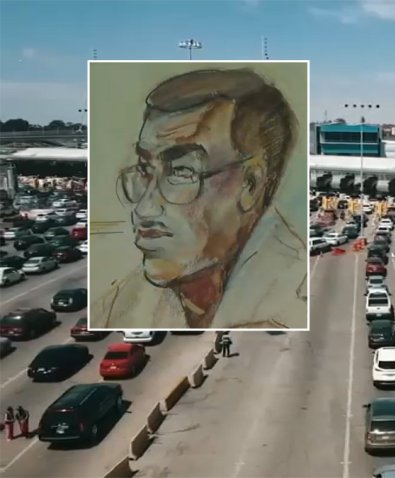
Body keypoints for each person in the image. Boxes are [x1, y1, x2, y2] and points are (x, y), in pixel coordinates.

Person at [89, 68, 307, 329]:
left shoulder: (295, 301)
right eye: (146, 170)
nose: (144, 209)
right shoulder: (122, 305)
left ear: (251, 185)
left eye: (182, 171)